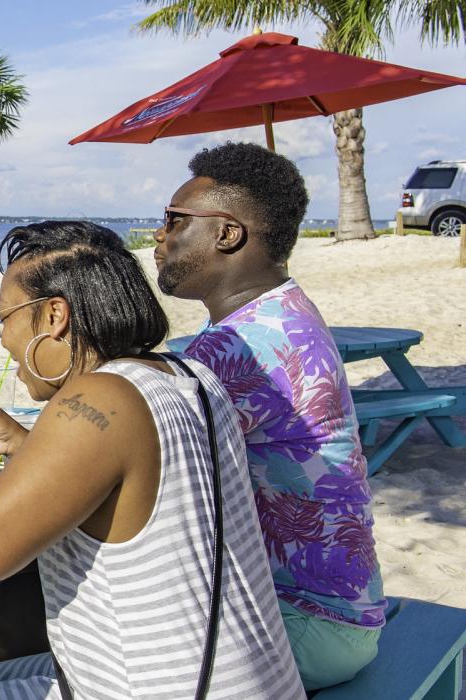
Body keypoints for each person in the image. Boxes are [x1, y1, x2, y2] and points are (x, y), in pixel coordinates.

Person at [0, 222, 304, 699]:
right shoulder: (187, 376)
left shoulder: (100, 396)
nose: (3, 339)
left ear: (54, 317)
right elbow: (132, 490)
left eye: (5, 318)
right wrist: (25, 445)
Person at [153, 142, 385, 690]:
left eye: (174, 220)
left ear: (227, 234)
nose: (159, 237)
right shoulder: (283, 311)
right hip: (341, 614)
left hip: (300, 625)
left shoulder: (241, 344)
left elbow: (144, 464)